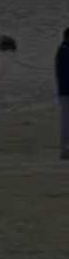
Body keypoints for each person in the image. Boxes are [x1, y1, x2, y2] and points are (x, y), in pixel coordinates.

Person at [57, 28, 69, 160]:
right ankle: (65, 148)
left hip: (65, 92)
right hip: (66, 92)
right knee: (66, 122)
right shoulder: (64, 53)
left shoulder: (64, 51)